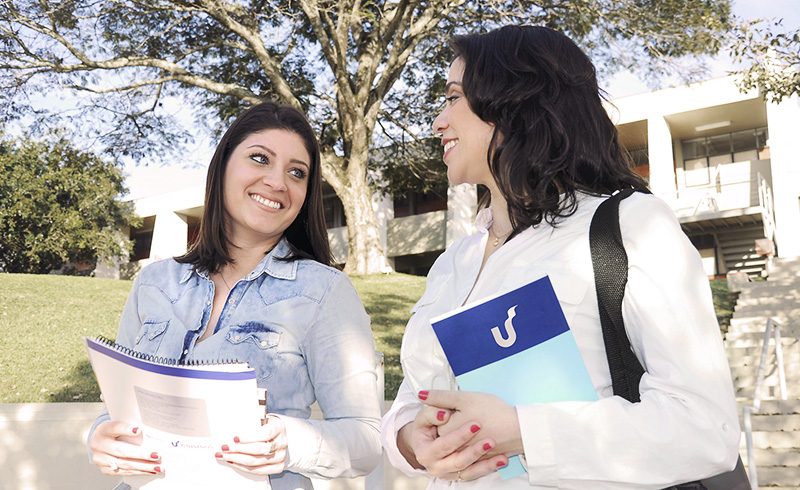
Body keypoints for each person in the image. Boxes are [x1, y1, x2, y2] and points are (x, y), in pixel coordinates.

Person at [380, 25, 741, 488]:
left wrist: (524, 431)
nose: (438, 122)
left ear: (513, 103)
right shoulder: (452, 264)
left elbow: (706, 429)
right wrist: (413, 439)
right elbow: (413, 401)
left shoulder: (631, 226)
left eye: (453, 98)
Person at [87, 102, 382, 489]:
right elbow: (117, 409)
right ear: (223, 165)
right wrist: (97, 437)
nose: (278, 182)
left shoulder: (325, 291)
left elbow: (366, 440)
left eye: (297, 172)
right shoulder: (155, 283)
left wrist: (289, 442)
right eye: (260, 159)